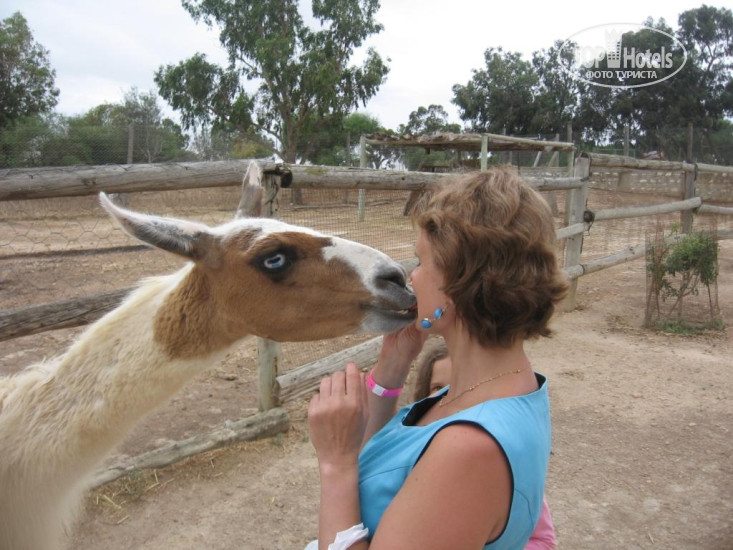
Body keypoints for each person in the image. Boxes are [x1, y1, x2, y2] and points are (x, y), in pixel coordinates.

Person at [307, 168, 568, 549]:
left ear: (456, 279)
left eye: (421, 261)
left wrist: (335, 465)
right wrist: (393, 366)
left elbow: (363, 468)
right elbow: (385, 462)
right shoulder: (491, 389)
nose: (411, 277)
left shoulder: (468, 449)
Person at [413, 340, 558, 550]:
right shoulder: (410, 454)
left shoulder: (503, 463)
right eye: (438, 388)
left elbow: (542, 540)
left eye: (464, 387)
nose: (451, 399)